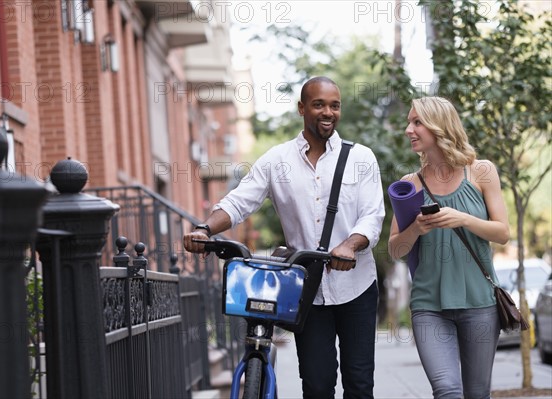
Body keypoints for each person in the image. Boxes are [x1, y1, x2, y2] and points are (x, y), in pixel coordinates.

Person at [183, 76, 384, 398]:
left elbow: (372, 215)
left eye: (335, 105)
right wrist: (204, 229)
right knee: (317, 385)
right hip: (307, 291)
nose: (328, 112)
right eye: (319, 104)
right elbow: (239, 201)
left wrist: (348, 245)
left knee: (359, 384)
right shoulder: (277, 160)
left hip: (356, 286)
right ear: (302, 108)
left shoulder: (361, 158)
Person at [388, 96, 510, 398]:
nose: (409, 129)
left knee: (477, 393)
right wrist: (417, 227)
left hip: (480, 304)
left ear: (439, 126)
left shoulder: (481, 172)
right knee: (447, 390)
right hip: (429, 306)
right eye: (409, 122)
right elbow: (394, 249)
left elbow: (503, 232)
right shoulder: (410, 184)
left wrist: (463, 218)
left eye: (417, 122)